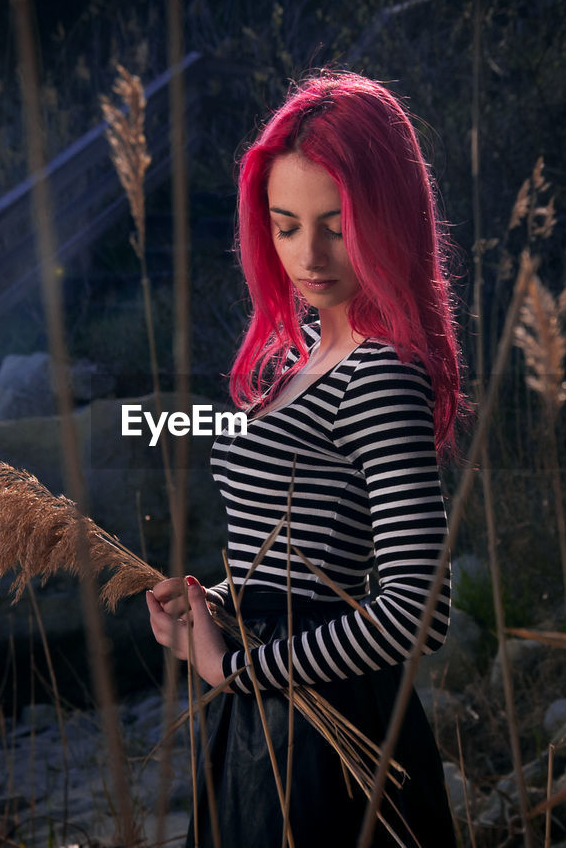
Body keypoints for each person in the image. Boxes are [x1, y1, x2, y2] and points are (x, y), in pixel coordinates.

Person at [146, 70, 464, 848]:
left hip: (331, 747)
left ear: (387, 218)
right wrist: (216, 602)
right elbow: (298, 565)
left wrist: (238, 671)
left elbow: (418, 611)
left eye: (336, 223)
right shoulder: (299, 362)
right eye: (287, 226)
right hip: (267, 729)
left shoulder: (382, 373)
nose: (309, 255)